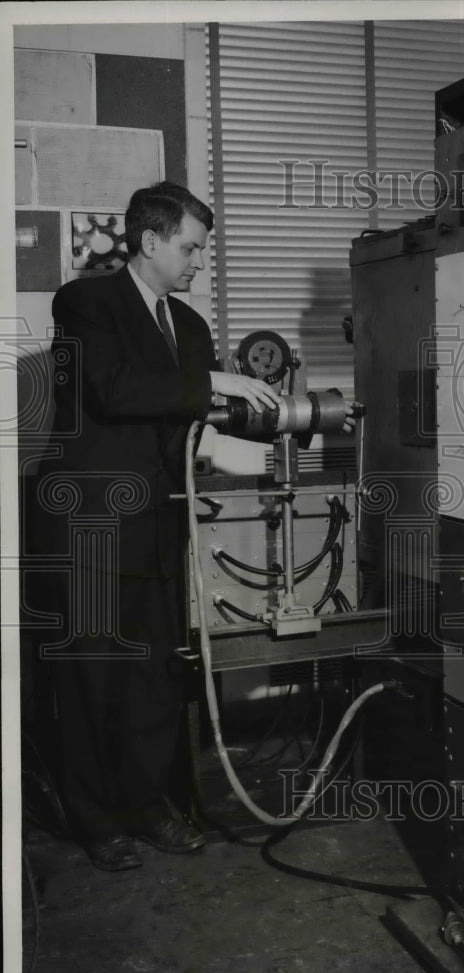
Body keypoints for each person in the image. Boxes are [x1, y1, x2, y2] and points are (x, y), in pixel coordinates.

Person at [32, 182, 278, 871]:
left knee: (152, 677)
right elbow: (113, 391)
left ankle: (147, 806)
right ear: (150, 242)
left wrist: (233, 444)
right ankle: (95, 819)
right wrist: (218, 386)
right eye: (191, 247)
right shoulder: (86, 303)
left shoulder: (191, 328)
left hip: (159, 524)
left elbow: (180, 425)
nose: (200, 261)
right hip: (91, 524)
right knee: (91, 679)